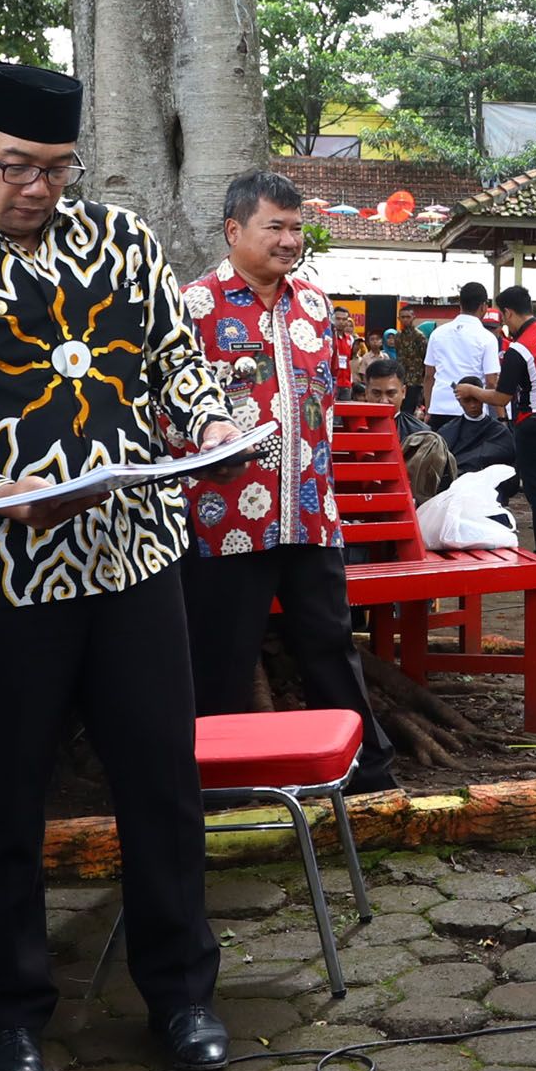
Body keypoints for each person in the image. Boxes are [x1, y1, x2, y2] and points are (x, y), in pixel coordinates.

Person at [0, 60, 243, 1071]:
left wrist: (208, 418)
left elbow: (177, 363)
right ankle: (11, 1016)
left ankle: (180, 996)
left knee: (162, 787)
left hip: (136, 556)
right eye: (17, 166)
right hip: (5, 574)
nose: (37, 188)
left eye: (58, 169)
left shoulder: (121, 242)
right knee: (6, 805)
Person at [179, 170, 395, 792]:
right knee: (221, 654)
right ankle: (213, 783)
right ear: (233, 230)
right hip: (226, 519)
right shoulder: (193, 305)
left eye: (296, 227)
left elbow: (329, 392)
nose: (289, 240)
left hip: (310, 510)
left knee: (330, 643)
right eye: (274, 226)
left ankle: (366, 770)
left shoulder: (317, 304)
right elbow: (168, 408)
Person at [457, 286, 536, 559]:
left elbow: (501, 397)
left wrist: (472, 391)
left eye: (503, 318)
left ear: (508, 312)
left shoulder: (518, 350)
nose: (504, 324)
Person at [351, 354, 455, 502]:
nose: (383, 401)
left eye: (391, 393)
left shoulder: (423, 436)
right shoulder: (352, 428)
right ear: (366, 392)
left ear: (404, 392)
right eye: (376, 393)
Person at [421, 281, 500, 425]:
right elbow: (491, 382)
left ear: (460, 305)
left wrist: (429, 408)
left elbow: (429, 376)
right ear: (484, 307)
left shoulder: (437, 334)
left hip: (440, 408)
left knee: (441, 447)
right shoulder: (487, 338)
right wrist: (500, 416)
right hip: (472, 410)